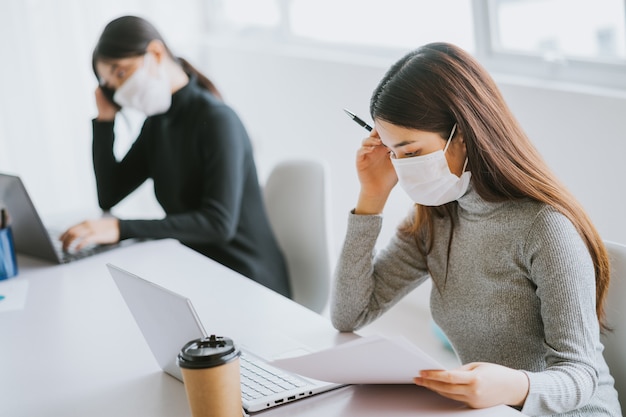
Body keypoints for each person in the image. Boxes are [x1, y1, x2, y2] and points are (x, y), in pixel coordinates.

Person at [331, 42, 622, 416]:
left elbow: (580, 377)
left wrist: (514, 386)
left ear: (464, 135)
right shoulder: (434, 219)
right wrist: (371, 197)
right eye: (393, 153)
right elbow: (349, 314)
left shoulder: (545, 227)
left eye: (412, 152)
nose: (401, 168)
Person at [60, 16, 291, 298]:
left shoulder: (218, 119)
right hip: (199, 273)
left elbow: (218, 226)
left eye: (120, 73)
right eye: (110, 86)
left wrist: (123, 228)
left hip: (249, 282)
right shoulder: (158, 124)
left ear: (155, 53)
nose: (119, 91)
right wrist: (105, 120)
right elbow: (109, 195)